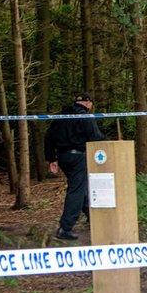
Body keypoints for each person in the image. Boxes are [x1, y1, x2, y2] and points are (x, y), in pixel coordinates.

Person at [44, 92, 105, 240]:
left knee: (81, 187)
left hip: (63, 157)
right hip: (78, 157)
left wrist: (51, 158)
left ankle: (92, 217)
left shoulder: (61, 116)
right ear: (88, 103)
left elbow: (48, 137)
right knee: (76, 191)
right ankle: (65, 228)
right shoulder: (85, 117)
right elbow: (95, 137)